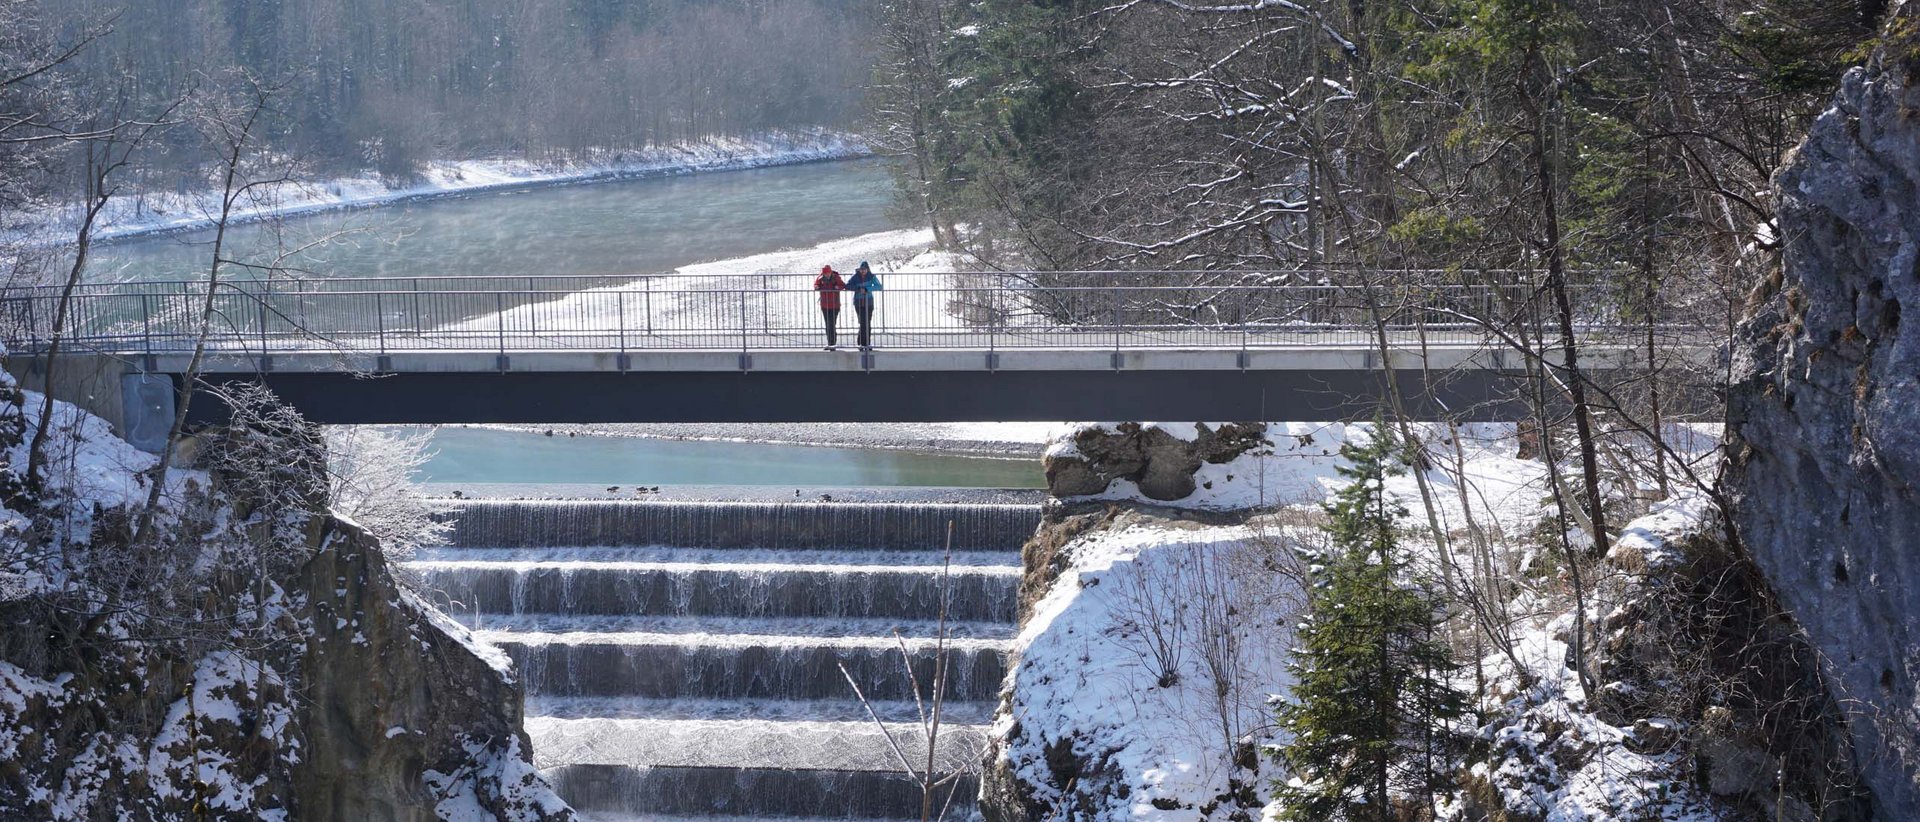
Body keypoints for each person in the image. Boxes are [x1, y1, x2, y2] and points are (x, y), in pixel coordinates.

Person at [845, 261, 883, 351]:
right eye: (862, 269)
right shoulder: (855, 277)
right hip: (858, 302)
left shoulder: (872, 276)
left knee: (867, 323)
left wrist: (867, 289)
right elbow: (847, 286)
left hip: (868, 302)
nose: (863, 271)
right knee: (862, 323)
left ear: (867, 269)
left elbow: (879, 286)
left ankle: (867, 343)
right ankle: (861, 343)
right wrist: (857, 289)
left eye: (864, 269)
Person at [813, 265, 846, 350]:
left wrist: (838, 287)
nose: (826, 275)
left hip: (835, 305)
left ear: (831, 272)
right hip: (825, 305)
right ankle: (830, 343)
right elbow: (816, 284)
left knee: (832, 324)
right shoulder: (820, 278)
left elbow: (843, 285)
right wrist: (816, 287)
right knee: (828, 324)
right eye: (825, 273)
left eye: (828, 273)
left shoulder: (836, 277)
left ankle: (832, 343)